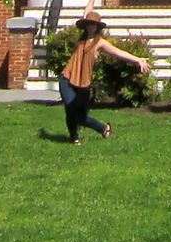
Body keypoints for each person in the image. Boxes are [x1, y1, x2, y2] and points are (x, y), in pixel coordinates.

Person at [59, 10, 152, 145]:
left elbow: (118, 53)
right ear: (85, 25)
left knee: (81, 116)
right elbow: (87, 11)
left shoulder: (100, 43)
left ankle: (103, 128)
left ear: (97, 27)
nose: (91, 26)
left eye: (94, 24)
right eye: (89, 23)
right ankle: (74, 138)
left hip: (83, 83)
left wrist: (137, 59)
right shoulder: (81, 39)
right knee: (70, 108)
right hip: (66, 78)